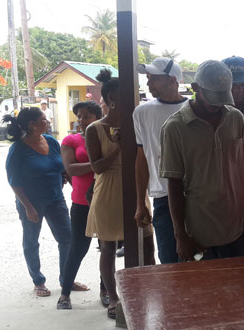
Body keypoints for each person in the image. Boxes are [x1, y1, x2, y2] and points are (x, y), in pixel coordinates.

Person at [159, 60, 244, 262]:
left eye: (222, 98)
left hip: (238, 228)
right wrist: (180, 235)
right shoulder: (175, 127)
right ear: (195, 88)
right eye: (212, 97)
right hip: (199, 233)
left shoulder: (236, 118)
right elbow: (174, 184)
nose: (217, 104)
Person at [85, 69, 155, 319]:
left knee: (148, 245)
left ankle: (147, 291)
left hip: (136, 190)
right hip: (107, 193)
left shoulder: (137, 123)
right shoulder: (94, 129)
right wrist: (116, 147)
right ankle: (113, 297)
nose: (133, 100)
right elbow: (97, 168)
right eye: (126, 95)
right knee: (108, 249)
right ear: (111, 98)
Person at [3, 107, 72, 297]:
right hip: (31, 203)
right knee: (31, 241)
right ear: (32, 125)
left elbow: (61, 166)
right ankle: (38, 281)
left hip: (56, 198)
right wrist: (28, 207)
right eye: (44, 119)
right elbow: (14, 181)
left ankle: (67, 278)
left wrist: (64, 177)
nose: (48, 121)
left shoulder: (51, 141)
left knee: (67, 238)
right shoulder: (18, 149)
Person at [134, 57, 187, 264]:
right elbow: (142, 159)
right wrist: (141, 203)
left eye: (154, 78)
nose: (148, 83)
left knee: (199, 260)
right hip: (162, 197)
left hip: (196, 196)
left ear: (172, 80)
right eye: (148, 78)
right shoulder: (142, 113)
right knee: (169, 261)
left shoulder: (194, 109)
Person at [57, 101, 104, 309]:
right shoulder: (71, 140)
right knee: (78, 248)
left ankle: (106, 291)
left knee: (107, 248)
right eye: (79, 116)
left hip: (105, 199)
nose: (82, 121)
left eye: (87, 116)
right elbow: (71, 169)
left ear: (98, 117)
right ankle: (65, 294)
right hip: (81, 202)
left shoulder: (106, 137)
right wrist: (99, 165)